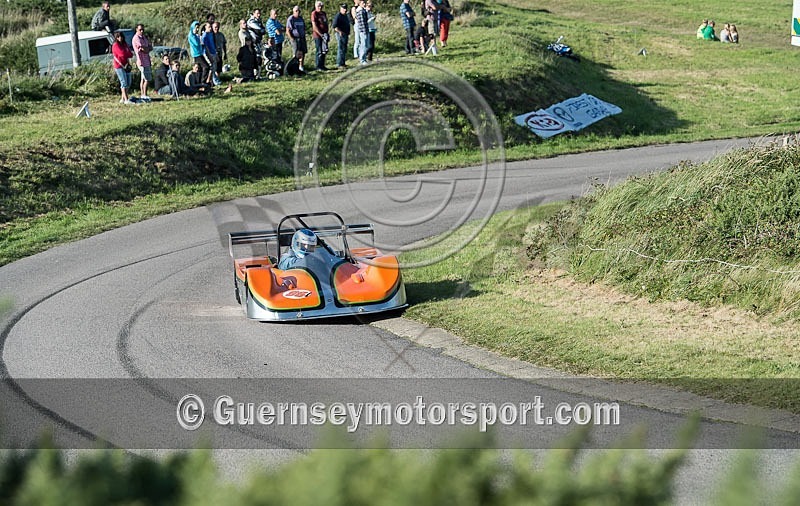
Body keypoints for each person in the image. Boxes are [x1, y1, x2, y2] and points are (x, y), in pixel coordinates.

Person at [111, 30, 134, 104]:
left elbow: (130, 54)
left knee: (128, 82)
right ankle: (126, 99)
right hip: (119, 66)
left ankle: (123, 98)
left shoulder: (124, 44)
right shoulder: (115, 45)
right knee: (123, 82)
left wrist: (127, 54)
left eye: (121, 36)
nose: (120, 38)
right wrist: (126, 53)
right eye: (118, 37)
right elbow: (121, 54)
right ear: (116, 38)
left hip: (126, 64)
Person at [132, 24, 153, 101]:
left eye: (143, 30)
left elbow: (150, 47)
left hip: (147, 60)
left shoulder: (144, 37)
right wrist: (147, 49)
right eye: (140, 30)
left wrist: (147, 48)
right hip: (141, 61)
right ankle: (144, 94)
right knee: (147, 78)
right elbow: (143, 49)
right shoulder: (136, 38)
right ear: (136, 29)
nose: (142, 31)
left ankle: (143, 94)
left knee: (144, 78)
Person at [286, 5, 308, 72]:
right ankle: (294, 67)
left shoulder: (301, 18)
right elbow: (288, 30)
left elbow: (304, 28)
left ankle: (301, 66)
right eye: (296, 11)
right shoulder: (291, 19)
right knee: (296, 53)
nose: (298, 12)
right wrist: (292, 38)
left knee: (303, 52)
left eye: (299, 11)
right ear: (293, 11)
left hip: (302, 37)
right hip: (295, 38)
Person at [311, 1, 330, 71]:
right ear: (316, 6)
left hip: (324, 34)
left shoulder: (323, 13)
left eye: (321, 6)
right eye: (319, 6)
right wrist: (321, 34)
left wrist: (326, 33)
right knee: (319, 50)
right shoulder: (314, 13)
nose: (320, 7)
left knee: (324, 50)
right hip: (318, 35)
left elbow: (325, 23)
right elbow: (314, 26)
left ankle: (322, 65)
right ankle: (318, 66)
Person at [332, 3, 350, 69]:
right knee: (341, 48)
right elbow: (334, 26)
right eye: (343, 8)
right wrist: (340, 32)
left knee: (344, 49)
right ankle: (339, 63)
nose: (344, 10)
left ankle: (343, 62)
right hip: (340, 34)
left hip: (345, 34)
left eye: (345, 8)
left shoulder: (345, 16)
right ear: (340, 8)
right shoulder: (338, 16)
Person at [354, 0, 369, 64]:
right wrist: (365, 31)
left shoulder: (363, 10)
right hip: (363, 31)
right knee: (363, 45)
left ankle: (364, 58)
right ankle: (362, 59)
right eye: (363, 3)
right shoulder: (360, 11)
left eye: (364, 3)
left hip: (365, 30)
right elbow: (362, 23)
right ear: (360, 4)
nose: (364, 4)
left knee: (365, 45)